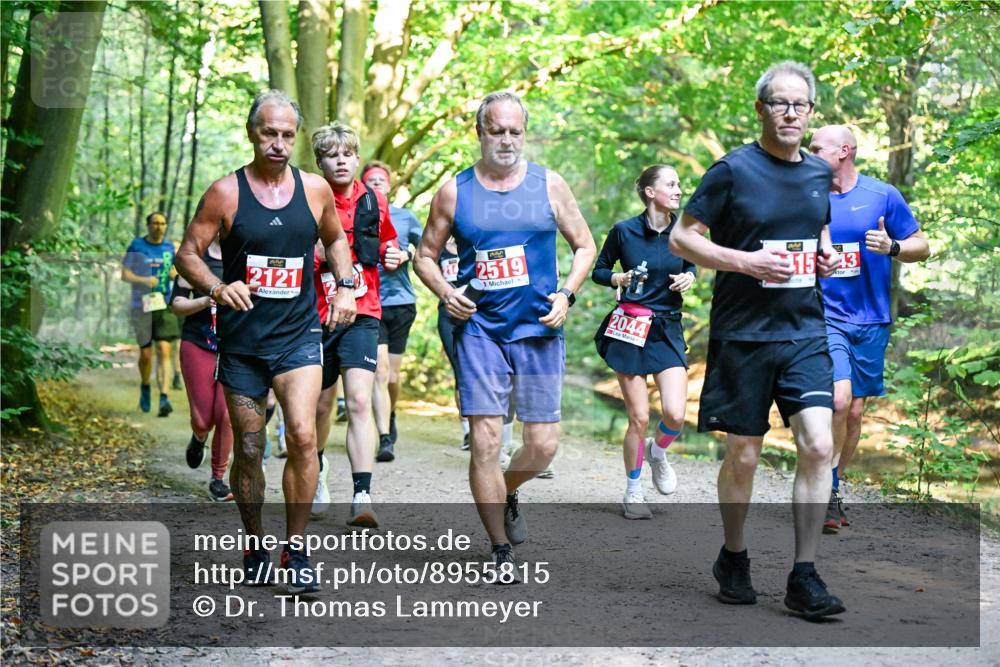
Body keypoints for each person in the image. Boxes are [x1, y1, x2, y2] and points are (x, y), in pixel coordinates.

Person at [670, 61, 846, 619]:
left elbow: (814, 229)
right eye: (780, 103)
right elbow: (681, 238)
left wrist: (825, 253)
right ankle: (735, 556)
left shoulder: (820, 173)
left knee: (818, 444)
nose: (791, 113)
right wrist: (743, 261)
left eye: (801, 105)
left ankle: (804, 574)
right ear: (761, 109)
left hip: (804, 328)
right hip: (743, 332)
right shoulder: (731, 170)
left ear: (812, 113)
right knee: (744, 455)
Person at [175, 90, 357, 594]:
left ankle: (295, 551)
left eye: (286, 135)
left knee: (302, 436)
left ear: (296, 137)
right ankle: (254, 544)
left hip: (298, 335)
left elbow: (336, 238)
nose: (277, 144)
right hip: (243, 342)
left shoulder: (316, 189)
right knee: (250, 449)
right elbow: (187, 253)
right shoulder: (225, 193)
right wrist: (215, 286)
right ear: (252, 133)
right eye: (268, 134)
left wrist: (345, 286)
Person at [414, 91, 596, 581]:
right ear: (480, 132)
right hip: (479, 330)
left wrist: (567, 294)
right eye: (498, 130)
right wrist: (445, 291)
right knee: (486, 441)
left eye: (516, 131)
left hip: (538, 329)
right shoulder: (454, 192)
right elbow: (425, 255)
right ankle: (499, 549)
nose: (508, 140)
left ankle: (509, 488)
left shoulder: (549, 186)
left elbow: (585, 246)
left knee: (542, 446)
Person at [808, 124, 930, 532]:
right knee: (839, 402)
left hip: (872, 318)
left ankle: (834, 486)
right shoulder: (808, 196)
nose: (809, 153)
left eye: (816, 148)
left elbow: (921, 245)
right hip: (825, 315)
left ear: (844, 151)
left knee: (856, 411)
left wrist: (892, 247)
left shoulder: (882, 195)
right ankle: (825, 488)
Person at [592, 164, 695, 519]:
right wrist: (616, 277)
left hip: (667, 328)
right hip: (630, 328)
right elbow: (599, 270)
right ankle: (633, 491)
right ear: (651, 192)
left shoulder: (684, 231)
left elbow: (693, 264)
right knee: (638, 417)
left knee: (676, 414)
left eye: (679, 183)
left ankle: (659, 452)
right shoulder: (623, 231)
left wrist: (689, 279)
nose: (679, 190)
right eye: (671, 183)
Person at [309, 123, 400, 525]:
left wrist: (393, 254)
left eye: (347, 153)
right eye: (332, 154)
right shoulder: (306, 197)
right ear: (320, 162)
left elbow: (383, 243)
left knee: (360, 399)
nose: (341, 160)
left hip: (365, 310)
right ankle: (316, 471)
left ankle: (361, 495)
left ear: (357, 158)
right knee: (321, 404)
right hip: (315, 312)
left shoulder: (373, 201)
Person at [362, 161, 422, 462]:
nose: (375, 184)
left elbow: (427, 250)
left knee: (393, 376)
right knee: (380, 370)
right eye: (369, 180)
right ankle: (384, 438)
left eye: (380, 180)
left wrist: (407, 253)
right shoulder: (357, 216)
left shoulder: (405, 217)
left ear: (389, 185)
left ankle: (391, 412)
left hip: (401, 302)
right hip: (370, 303)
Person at [169, 238, 233, 502]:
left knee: (226, 414)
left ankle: (218, 479)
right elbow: (177, 304)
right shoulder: (194, 259)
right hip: (198, 342)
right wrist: (207, 301)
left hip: (234, 345)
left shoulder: (246, 254)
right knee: (204, 420)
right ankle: (198, 436)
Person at [121, 212, 180, 417]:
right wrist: (144, 280)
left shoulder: (169, 247)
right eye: (155, 223)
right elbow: (125, 274)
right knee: (146, 354)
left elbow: (173, 269)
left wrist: (175, 273)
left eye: (163, 223)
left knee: (164, 350)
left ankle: (164, 398)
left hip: (163, 303)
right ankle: (145, 386)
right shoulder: (137, 246)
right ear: (148, 225)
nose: (159, 227)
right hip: (141, 304)